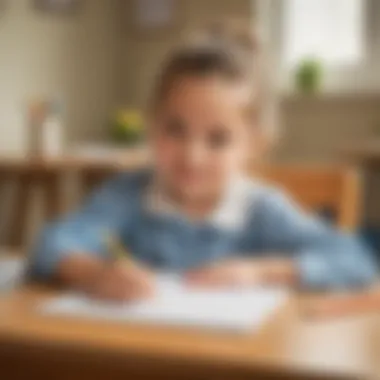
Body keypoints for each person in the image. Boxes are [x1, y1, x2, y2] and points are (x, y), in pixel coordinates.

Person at [29, 23, 377, 301]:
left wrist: (261, 272)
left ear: (254, 145)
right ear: (152, 124)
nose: (192, 156)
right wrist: (95, 274)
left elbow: (356, 260)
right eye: (175, 129)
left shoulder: (261, 209)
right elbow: (51, 244)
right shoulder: (128, 195)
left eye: (218, 139)